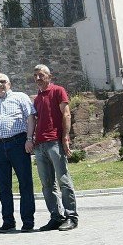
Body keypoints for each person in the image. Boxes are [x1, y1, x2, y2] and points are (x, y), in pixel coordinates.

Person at [0, 73, 37, 232]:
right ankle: (8, 221)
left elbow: (31, 118)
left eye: (3, 82)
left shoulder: (20, 97)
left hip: (18, 143)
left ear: (9, 83)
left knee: (25, 183)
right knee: (3, 186)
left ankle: (27, 221)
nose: (0, 85)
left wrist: (29, 139)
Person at [32, 65, 78, 231]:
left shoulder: (58, 91)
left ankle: (71, 216)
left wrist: (65, 137)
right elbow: (35, 120)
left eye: (41, 75)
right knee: (47, 184)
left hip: (54, 142)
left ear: (49, 76)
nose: (38, 78)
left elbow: (66, 114)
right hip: (40, 145)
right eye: (35, 75)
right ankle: (56, 217)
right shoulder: (37, 98)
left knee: (63, 180)